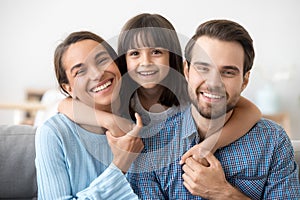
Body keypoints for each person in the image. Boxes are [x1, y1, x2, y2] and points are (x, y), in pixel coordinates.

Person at [131, 19, 300, 199]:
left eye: (228, 72)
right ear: (186, 71)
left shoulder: (273, 143)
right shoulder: (150, 142)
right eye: (203, 68)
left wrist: (224, 193)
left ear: (244, 80)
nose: (213, 83)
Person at [35, 31, 143, 199]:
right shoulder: (53, 134)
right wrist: (120, 164)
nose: (97, 74)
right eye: (80, 71)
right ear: (68, 88)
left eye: (102, 60)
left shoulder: (142, 117)